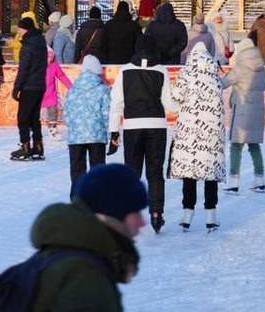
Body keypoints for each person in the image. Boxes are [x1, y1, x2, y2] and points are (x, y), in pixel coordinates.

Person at [19, 164, 146, 312]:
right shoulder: (84, 277)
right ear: (113, 214)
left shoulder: (62, 254)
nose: (142, 222)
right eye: (136, 212)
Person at [109, 34, 175, 233]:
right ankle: (157, 213)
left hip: (132, 127)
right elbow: (169, 104)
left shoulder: (125, 71)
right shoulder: (161, 70)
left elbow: (117, 104)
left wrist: (113, 131)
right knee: (155, 172)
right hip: (157, 126)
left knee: (133, 172)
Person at [169, 42, 227, 232]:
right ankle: (211, 218)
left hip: (189, 133)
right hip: (211, 133)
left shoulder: (186, 74)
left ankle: (187, 216)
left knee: (190, 173)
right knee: (210, 174)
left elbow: (176, 98)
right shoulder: (214, 77)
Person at [64, 55, 113, 196]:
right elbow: (107, 115)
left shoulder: (72, 90)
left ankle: (76, 204)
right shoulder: (103, 90)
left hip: (76, 138)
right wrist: (111, 135)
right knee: (98, 173)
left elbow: (67, 114)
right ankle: (97, 203)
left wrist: (74, 129)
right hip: (96, 136)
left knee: (77, 173)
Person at [225, 36, 265, 193]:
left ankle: (233, 182)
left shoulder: (241, 68)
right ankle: (259, 179)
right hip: (257, 111)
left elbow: (224, 83)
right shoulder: (261, 68)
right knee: (254, 145)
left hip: (243, 112)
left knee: (236, 146)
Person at [12, 16, 48, 161]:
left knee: (23, 118)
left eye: (19, 28)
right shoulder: (40, 42)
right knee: (34, 117)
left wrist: (17, 87)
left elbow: (24, 69)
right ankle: (38, 147)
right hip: (40, 85)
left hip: (29, 86)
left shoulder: (28, 45)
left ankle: (25, 147)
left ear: (24, 28)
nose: (18, 31)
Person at [42, 46, 74, 139]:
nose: (49, 60)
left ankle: (53, 130)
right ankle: (32, 129)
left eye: (51, 58)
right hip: (38, 93)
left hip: (51, 94)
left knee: (53, 112)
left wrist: (70, 87)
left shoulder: (54, 65)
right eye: (47, 57)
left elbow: (62, 76)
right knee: (34, 113)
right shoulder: (37, 65)